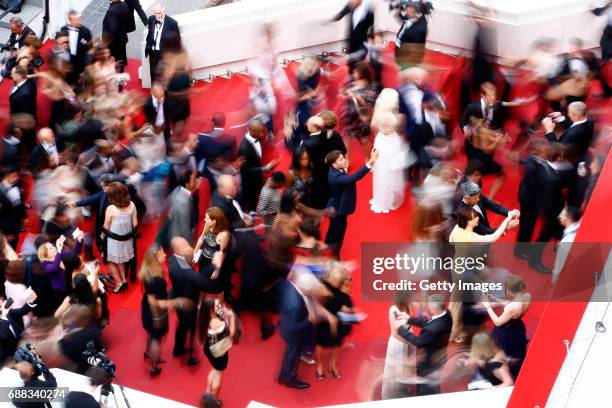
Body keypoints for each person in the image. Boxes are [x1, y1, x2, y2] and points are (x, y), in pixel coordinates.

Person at [140, 246, 186, 376]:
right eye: (162, 254)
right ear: (155, 259)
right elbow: (155, 302)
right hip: (155, 313)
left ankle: (148, 353)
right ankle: (154, 367)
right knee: (156, 339)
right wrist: (175, 303)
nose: (165, 256)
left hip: (147, 310)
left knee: (151, 333)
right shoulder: (158, 281)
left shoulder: (148, 271)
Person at [169, 237, 215, 365]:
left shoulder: (173, 260)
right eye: (184, 247)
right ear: (177, 251)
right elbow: (206, 285)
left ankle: (178, 349)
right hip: (188, 304)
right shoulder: (188, 273)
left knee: (183, 327)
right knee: (189, 326)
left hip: (179, 298)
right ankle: (188, 356)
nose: (189, 248)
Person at [395, 293, 452, 396]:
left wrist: (401, 329)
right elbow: (429, 322)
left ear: (436, 308)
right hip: (438, 358)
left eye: (429, 306)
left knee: (425, 389)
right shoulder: (446, 314)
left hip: (427, 364)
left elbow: (417, 341)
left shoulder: (432, 330)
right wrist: (409, 319)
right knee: (434, 385)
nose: (427, 308)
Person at [325, 148, 378, 256]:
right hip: (338, 211)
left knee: (332, 232)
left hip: (334, 206)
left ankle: (327, 248)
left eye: (343, 157)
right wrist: (370, 162)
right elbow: (353, 178)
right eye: (340, 160)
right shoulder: (337, 177)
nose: (344, 160)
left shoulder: (333, 171)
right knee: (338, 236)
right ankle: (334, 257)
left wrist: (344, 169)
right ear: (334, 165)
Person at [370, 90, 413, 213]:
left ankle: (381, 199)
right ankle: (391, 199)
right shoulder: (399, 117)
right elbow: (402, 134)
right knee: (392, 173)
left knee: (381, 172)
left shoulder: (378, 114)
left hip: (380, 142)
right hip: (393, 144)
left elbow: (373, 127)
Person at [482, 275, 531, 379]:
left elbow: (498, 322)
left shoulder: (512, 307)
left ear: (510, 290)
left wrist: (487, 306)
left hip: (507, 333)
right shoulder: (527, 296)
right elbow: (512, 304)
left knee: (506, 354)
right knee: (518, 351)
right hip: (517, 327)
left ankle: (508, 376)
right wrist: (496, 299)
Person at [314, 263, 354, 380]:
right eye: (334, 279)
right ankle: (320, 365)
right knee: (321, 344)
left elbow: (346, 298)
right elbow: (316, 305)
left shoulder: (344, 282)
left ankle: (333, 365)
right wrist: (328, 316)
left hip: (339, 320)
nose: (336, 282)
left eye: (338, 279)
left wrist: (348, 310)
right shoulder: (321, 287)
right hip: (324, 322)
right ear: (328, 276)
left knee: (338, 343)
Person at [198, 297, 237, 402]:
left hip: (209, 348)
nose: (219, 306)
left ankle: (208, 391)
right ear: (211, 310)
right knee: (218, 373)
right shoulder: (216, 323)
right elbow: (231, 333)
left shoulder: (204, 317)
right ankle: (213, 399)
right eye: (217, 306)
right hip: (218, 351)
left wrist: (222, 312)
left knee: (214, 369)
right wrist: (232, 317)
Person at [102, 182, 138, 293]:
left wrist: (101, 237)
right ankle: (123, 280)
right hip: (127, 240)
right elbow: (135, 224)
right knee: (121, 259)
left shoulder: (111, 209)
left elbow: (106, 226)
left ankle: (119, 283)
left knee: (111, 261)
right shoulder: (132, 205)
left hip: (113, 241)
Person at [382, 294, 417, 399]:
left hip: (407, 340)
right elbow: (394, 333)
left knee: (405, 367)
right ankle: (394, 393)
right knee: (396, 368)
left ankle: (402, 388)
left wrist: (412, 338)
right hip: (397, 343)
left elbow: (410, 324)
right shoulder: (393, 310)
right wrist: (408, 341)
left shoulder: (408, 306)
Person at [238, 119, 278, 212]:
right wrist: (265, 168)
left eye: (262, 132)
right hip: (249, 181)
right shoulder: (243, 148)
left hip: (257, 176)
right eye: (260, 132)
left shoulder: (257, 136)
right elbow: (246, 169)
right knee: (251, 198)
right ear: (252, 131)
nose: (262, 135)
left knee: (257, 194)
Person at [193, 207, 231, 297]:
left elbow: (223, 253)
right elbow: (201, 238)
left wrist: (217, 270)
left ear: (214, 221)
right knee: (201, 283)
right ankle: (200, 304)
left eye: (207, 218)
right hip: (203, 260)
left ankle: (219, 306)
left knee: (218, 287)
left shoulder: (224, 235)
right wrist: (195, 251)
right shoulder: (207, 225)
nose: (205, 220)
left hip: (214, 264)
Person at [330, 0, 375, 68]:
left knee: (358, 61)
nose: (352, 1)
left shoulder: (369, 11)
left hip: (361, 41)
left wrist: (371, 42)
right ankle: (352, 74)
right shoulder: (350, 6)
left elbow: (371, 28)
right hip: (350, 40)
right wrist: (333, 19)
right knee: (350, 63)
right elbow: (341, 14)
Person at [145, 4, 181, 82]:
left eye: (160, 13)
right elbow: (150, 34)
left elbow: (177, 41)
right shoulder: (151, 19)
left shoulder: (172, 23)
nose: (157, 15)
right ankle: (154, 93)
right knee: (153, 75)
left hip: (164, 54)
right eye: (156, 13)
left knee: (164, 76)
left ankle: (165, 93)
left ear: (164, 11)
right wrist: (148, 46)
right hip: (152, 52)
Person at [394, 0, 432, 69]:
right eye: (406, 7)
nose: (406, 9)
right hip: (400, 46)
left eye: (409, 7)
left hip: (407, 57)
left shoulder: (420, 29)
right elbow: (401, 18)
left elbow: (416, 50)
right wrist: (399, 10)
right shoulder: (411, 16)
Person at [450, 207, 519, 243]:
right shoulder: (472, 237)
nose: (478, 218)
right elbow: (493, 237)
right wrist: (508, 218)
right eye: (475, 217)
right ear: (468, 222)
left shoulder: (457, 228)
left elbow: (451, 241)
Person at [60, 10, 92, 84]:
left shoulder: (86, 31)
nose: (78, 21)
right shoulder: (63, 30)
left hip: (80, 61)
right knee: (68, 80)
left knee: (81, 81)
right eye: (76, 20)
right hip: (68, 61)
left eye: (79, 19)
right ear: (70, 20)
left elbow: (90, 47)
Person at [552, 206, 582, 284]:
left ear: (568, 219)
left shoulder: (566, 241)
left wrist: (555, 275)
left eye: (562, 215)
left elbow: (560, 261)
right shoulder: (580, 223)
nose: (559, 216)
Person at [168, 171, 198, 243]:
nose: (197, 181)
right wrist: (190, 243)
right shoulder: (183, 203)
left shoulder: (179, 189)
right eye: (194, 180)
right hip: (181, 236)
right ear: (187, 184)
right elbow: (185, 228)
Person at [0, 167, 26, 249]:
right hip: (6, 228)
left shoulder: (16, 186)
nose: (16, 178)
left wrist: (23, 216)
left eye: (16, 176)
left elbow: (20, 203)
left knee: (14, 244)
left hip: (15, 225)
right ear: (5, 177)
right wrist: (6, 233)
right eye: (13, 176)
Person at [102, 0, 131, 71]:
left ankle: (118, 74)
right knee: (121, 55)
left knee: (116, 59)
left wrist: (107, 42)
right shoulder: (124, 4)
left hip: (114, 41)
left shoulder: (111, 11)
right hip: (122, 36)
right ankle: (123, 67)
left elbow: (112, 29)